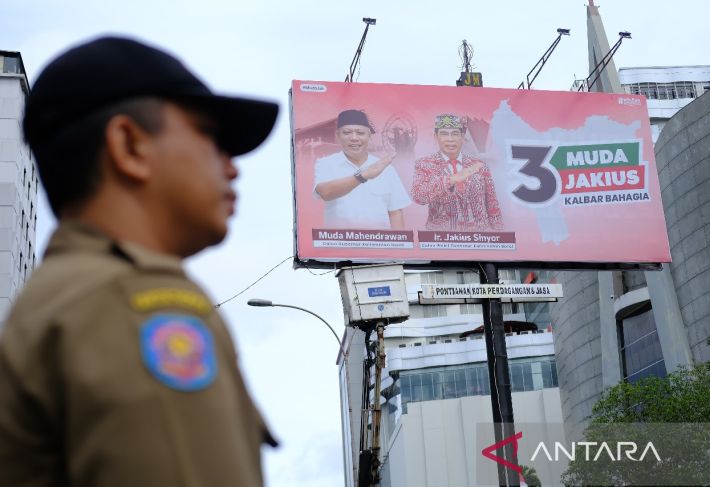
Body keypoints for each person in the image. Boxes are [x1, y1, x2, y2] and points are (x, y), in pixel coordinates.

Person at [0, 37, 278, 487]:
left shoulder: (60, 297)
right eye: (210, 136)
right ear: (129, 146)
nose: (233, 167)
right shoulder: (136, 303)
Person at [313, 109, 410, 229]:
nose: (354, 138)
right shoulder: (325, 163)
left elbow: (395, 213)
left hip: (380, 244)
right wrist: (362, 176)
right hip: (340, 244)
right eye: (347, 132)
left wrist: (398, 245)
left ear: (369, 136)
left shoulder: (386, 169)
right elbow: (325, 193)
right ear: (338, 136)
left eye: (360, 133)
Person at [411, 114, 503, 231]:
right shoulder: (424, 164)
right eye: (444, 134)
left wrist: (499, 235)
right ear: (435, 137)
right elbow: (419, 197)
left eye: (455, 134)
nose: (450, 139)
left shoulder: (478, 166)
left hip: (479, 241)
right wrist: (451, 180)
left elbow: (493, 207)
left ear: (462, 137)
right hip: (441, 240)